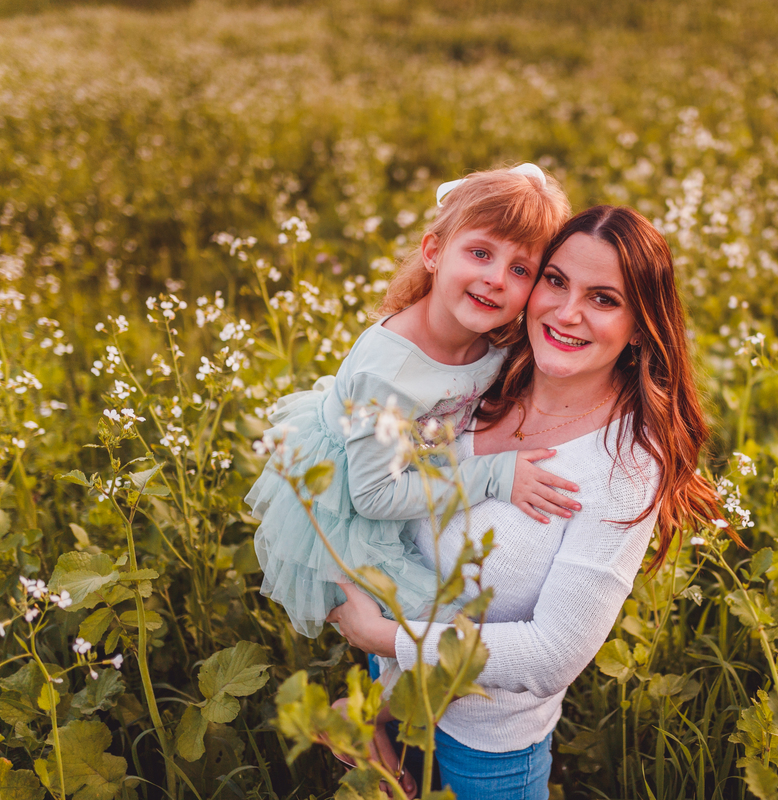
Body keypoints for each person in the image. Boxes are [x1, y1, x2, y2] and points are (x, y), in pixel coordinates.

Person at [327, 205, 723, 799]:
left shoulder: (626, 463)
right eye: (555, 281)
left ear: (641, 326)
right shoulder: (474, 377)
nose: (566, 313)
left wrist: (380, 634)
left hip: (483, 747)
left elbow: (550, 654)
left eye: (604, 299)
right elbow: (346, 479)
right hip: (389, 687)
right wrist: (368, 698)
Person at [245, 163, 578, 645]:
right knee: (442, 631)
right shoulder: (389, 374)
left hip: (408, 467)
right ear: (433, 252)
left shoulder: (496, 339)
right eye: (480, 253)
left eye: (520, 269)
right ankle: (377, 685)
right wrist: (492, 475)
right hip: (353, 508)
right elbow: (373, 495)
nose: (496, 279)